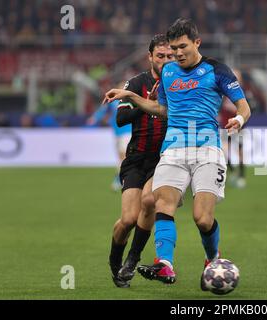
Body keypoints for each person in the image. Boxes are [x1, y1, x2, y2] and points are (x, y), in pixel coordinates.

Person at [103, 18, 252, 287]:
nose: (178, 53)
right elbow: (163, 110)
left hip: (207, 149)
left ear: (197, 43)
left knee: (202, 219)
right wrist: (132, 97)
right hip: (173, 149)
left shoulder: (217, 70)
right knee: (162, 204)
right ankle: (165, 264)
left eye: (182, 46)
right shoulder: (169, 73)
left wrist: (238, 121)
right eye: (174, 48)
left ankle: (212, 258)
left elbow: (244, 107)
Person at [108, 34, 174, 288]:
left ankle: (132, 260)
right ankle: (115, 262)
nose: (166, 61)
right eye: (160, 56)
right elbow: (121, 119)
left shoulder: (179, 83)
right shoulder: (136, 83)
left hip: (164, 159)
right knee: (127, 220)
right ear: (150, 57)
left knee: (149, 201)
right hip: (136, 158)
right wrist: (146, 103)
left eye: (169, 56)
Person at [87, 92, 131, 192]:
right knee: (120, 157)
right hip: (117, 133)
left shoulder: (130, 99)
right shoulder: (114, 101)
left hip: (127, 132)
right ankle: (121, 177)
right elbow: (103, 110)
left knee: (123, 156)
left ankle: (120, 179)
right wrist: (95, 118)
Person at [219, 68, 246, 188]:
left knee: (240, 152)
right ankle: (232, 171)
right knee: (224, 151)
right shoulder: (223, 91)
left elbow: (247, 109)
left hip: (238, 127)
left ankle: (241, 176)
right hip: (225, 126)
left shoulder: (242, 93)